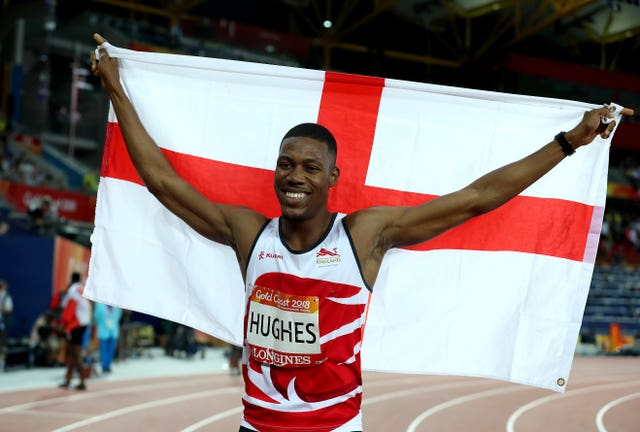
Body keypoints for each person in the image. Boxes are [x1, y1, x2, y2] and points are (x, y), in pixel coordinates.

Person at [91, 33, 634, 432]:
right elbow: (162, 182)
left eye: (309, 166)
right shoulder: (247, 233)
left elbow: (474, 199)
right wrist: (117, 89)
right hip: (256, 426)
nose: (294, 176)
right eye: (285, 164)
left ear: (333, 177)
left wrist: (568, 143)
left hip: (336, 428)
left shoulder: (362, 236)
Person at [59, 272, 92, 390]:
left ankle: (83, 381)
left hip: (76, 323)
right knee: (72, 352)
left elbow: (69, 307)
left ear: (71, 279)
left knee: (75, 352)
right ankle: (68, 379)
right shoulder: (82, 288)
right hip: (84, 322)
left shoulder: (72, 290)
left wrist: (64, 325)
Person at [93, 302, 122, 373]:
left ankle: (108, 365)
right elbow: (96, 317)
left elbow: (119, 316)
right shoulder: (99, 305)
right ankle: (104, 366)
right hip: (103, 330)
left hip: (113, 330)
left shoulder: (116, 305)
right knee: (103, 350)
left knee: (111, 350)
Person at [0, 279, 13, 371]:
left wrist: (1, 308)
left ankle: (2, 363)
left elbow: (9, 309)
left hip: (3, 324)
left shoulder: (7, 297)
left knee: (3, 344)